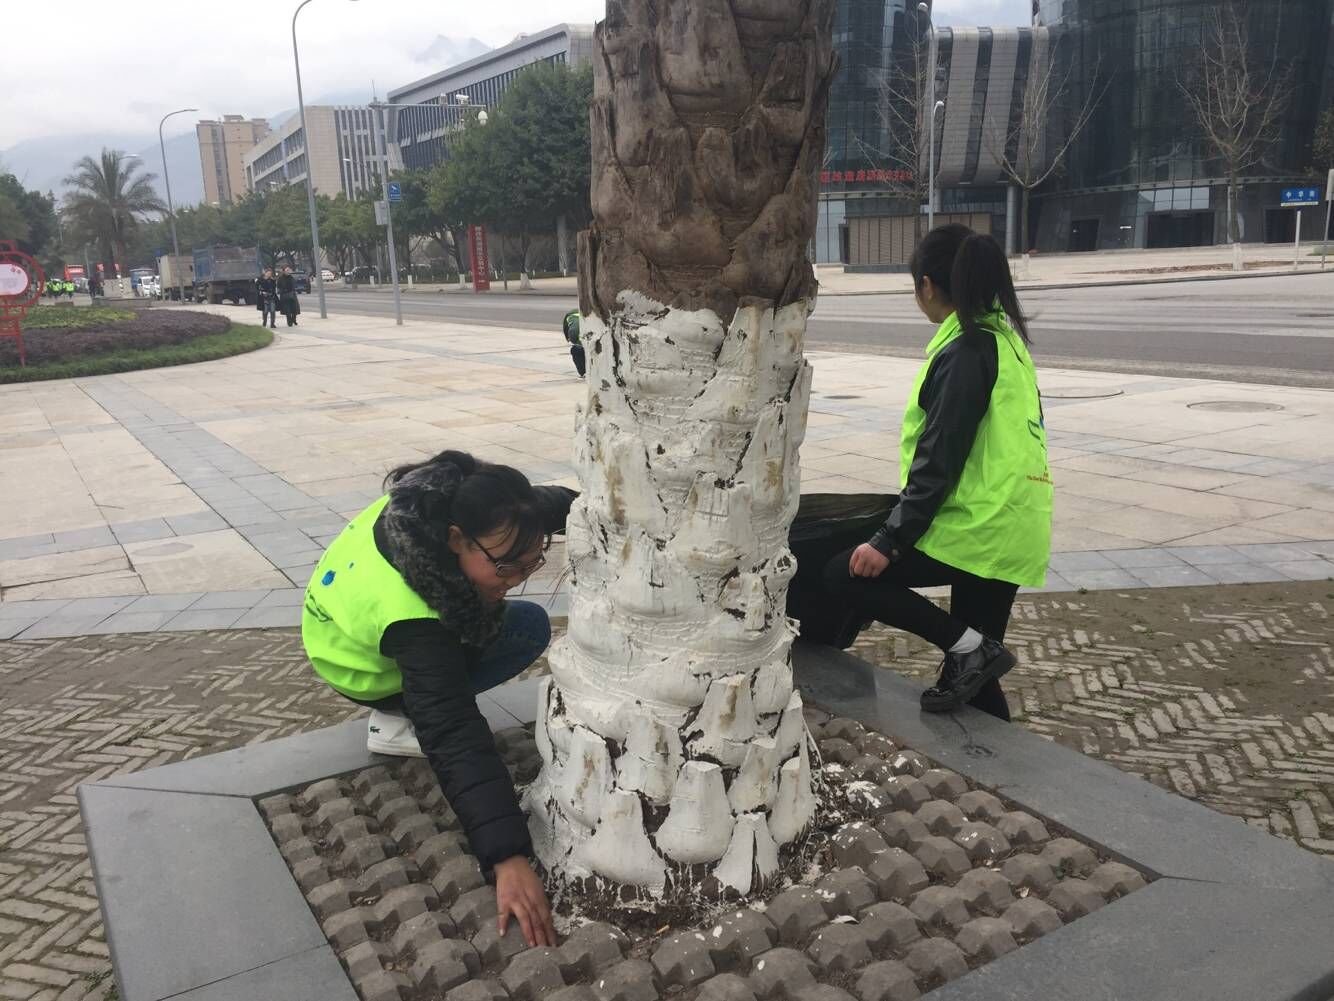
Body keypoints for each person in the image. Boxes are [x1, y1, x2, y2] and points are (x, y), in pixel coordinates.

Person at [302, 449, 574, 947]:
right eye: (508, 566)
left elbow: (540, 505)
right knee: (526, 629)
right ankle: (398, 714)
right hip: (358, 666)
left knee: (516, 619)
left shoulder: (440, 502)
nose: (520, 576)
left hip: (336, 625)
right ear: (456, 540)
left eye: (533, 559)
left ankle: (415, 701)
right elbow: (454, 732)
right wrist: (507, 856)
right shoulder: (415, 618)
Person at [820, 224, 1052, 721]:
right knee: (974, 667)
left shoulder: (966, 351)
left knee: (845, 573)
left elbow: (938, 462)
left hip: (980, 527)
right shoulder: (1006, 341)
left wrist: (888, 541)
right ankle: (1009, 785)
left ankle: (967, 650)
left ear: (927, 286)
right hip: (1015, 522)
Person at [562, 309, 586, 376]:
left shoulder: (569, 315)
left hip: (575, 334)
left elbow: (566, 330)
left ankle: (583, 372)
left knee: (577, 350)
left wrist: (568, 339)